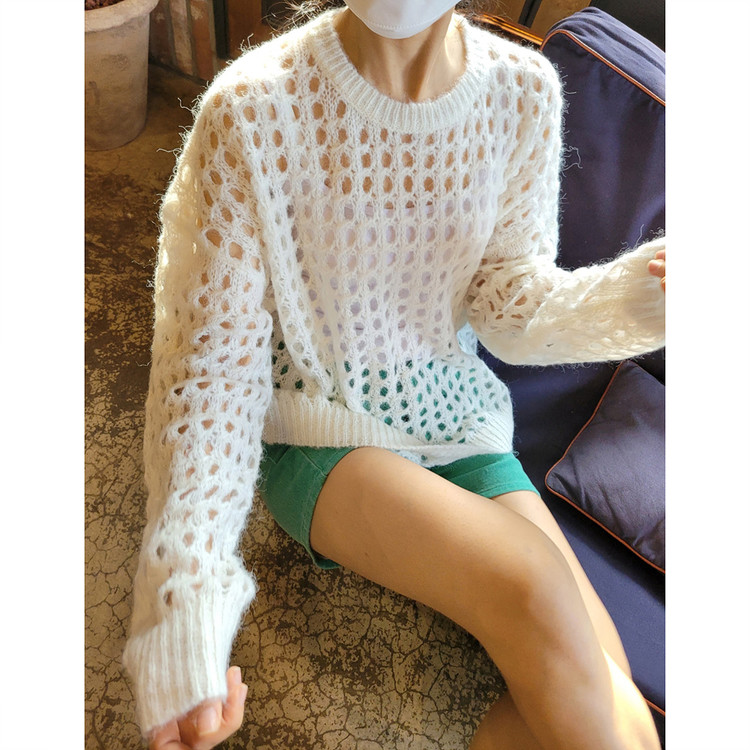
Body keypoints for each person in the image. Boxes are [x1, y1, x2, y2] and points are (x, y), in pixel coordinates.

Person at [123, 1, 667, 748]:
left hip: (458, 422)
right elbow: (209, 373)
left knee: (621, 703)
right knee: (537, 587)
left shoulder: (524, 92)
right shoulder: (251, 110)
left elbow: (507, 302)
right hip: (319, 428)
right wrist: (183, 613)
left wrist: (640, 296)